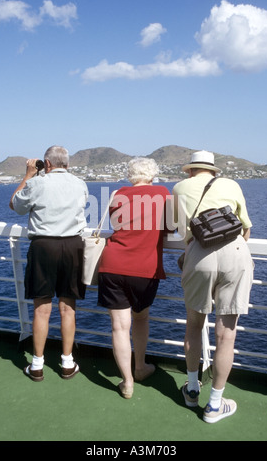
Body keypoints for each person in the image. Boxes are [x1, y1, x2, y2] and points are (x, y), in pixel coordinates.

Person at [173, 150, 253, 423]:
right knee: (226, 335)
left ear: (191, 170)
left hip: (198, 255)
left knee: (194, 325)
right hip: (235, 252)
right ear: (213, 170)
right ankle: (215, 405)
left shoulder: (179, 187)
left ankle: (192, 389)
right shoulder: (232, 184)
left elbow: (183, 232)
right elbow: (246, 228)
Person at [9, 145, 88, 381]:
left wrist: (28, 175)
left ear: (47, 163)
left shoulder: (37, 183)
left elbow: (15, 205)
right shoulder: (80, 184)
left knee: (42, 309)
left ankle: (36, 365)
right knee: (68, 308)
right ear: (67, 164)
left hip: (44, 247)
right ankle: (67, 362)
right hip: (73, 246)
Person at [98, 157, 173, 398]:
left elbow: (116, 223)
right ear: (152, 175)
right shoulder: (162, 193)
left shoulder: (118, 194)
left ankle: (127, 382)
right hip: (145, 268)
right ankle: (140, 368)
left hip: (112, 264)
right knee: (140, 319)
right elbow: (171, 226)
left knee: (119, 327)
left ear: (130, 175)